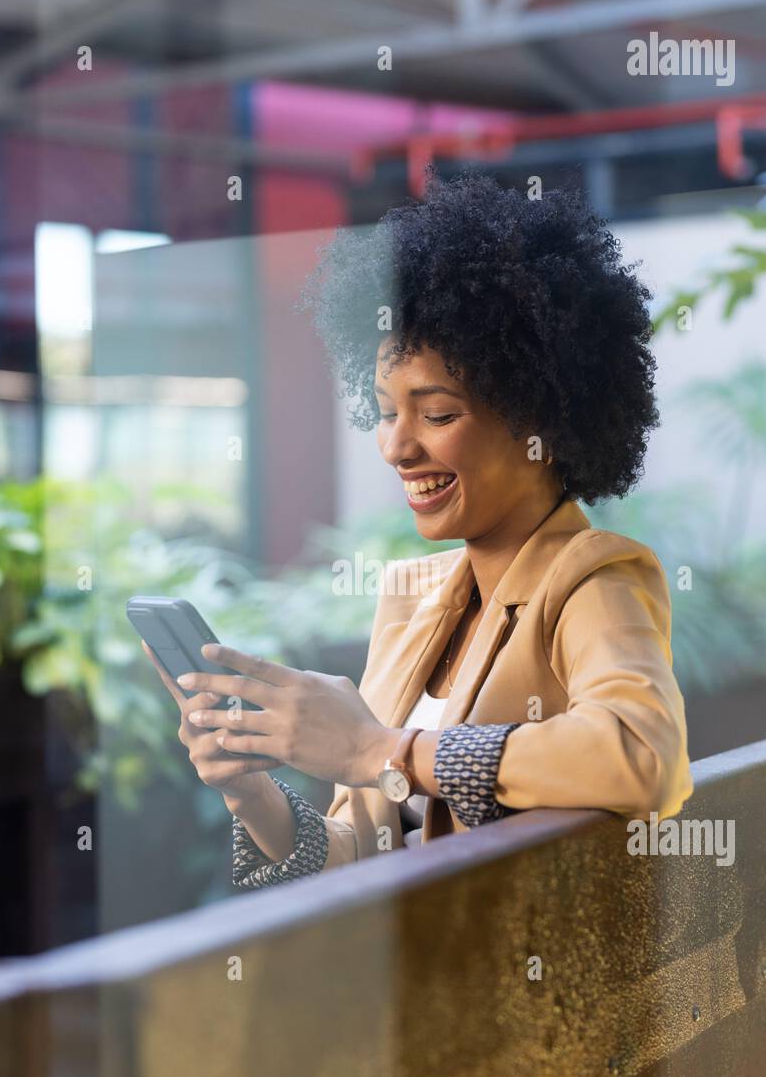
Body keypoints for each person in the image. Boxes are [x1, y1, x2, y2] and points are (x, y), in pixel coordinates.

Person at [145, 171, 693, 889]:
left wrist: (384, 749)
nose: (397, 447)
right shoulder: (413, 599)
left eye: (436, 415)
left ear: (540, 419)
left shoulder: (591, 577)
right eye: (384, 411)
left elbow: (642, 756)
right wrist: (250, 790)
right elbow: (363, 853)